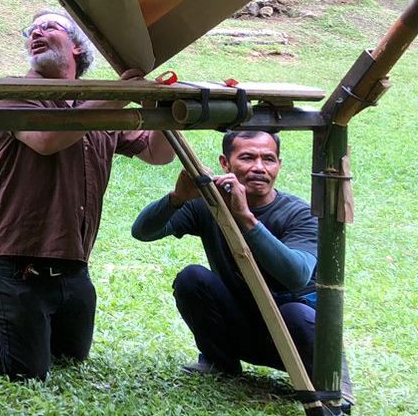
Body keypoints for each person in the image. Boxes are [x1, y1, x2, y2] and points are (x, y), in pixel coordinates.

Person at [0, 8, 173, 380]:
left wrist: (164, 112)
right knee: (24, 368)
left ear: (76, 46)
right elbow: (47, 140)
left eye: (50, 26)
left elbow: (158, 154)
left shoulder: (99, 103)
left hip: (72, 264)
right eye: (32, 29)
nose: (36, 32)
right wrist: (120, 97)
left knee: (70, 354)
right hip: (16, 256)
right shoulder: (12, 93)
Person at [130, 130, 336, 383]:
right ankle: (220, 362)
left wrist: (246, 219)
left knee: (297, 312)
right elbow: (142, 232)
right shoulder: (209, 205)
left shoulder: (300, 214)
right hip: (242, 332)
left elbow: (296, 276)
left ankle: (322, 380)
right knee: (192, 278)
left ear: (279, 165)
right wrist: (177, 198)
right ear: (225, 163)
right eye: (247, 158)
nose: (259, 167)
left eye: (268, 159)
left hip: (293, 339)